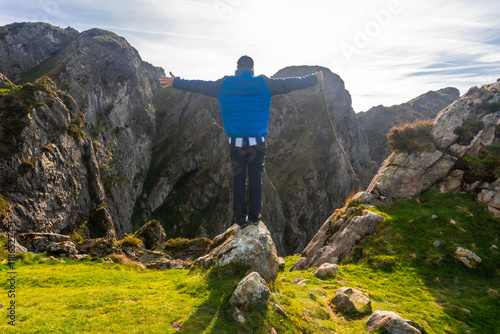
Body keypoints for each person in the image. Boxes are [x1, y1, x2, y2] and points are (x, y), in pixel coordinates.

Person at [160, 56, 323, 228]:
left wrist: (176, 81)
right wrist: (314, 78)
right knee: (255, 179)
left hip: (236, 144)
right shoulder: (265, 84)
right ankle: (254, 217)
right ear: (252, 69)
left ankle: (240, 219)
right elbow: (290, 83)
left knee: (238, 179)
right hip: (257, 144)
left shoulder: (223, 84)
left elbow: (199, 85)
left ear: (237, 68)